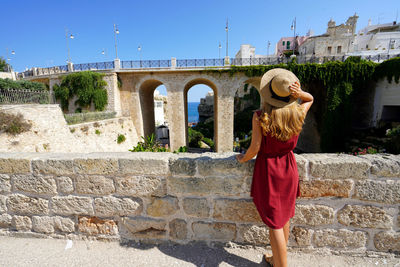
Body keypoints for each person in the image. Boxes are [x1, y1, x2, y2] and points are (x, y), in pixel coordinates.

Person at [236, 68, 313, 267]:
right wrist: (300, 94)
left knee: (275, 223)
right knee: (284, 215)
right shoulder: (297, 112)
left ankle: (281, 265)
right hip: (288, 167)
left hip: (269, 169)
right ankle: (275, 257)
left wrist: (244, 159)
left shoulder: (260, 116)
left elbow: (255, 147)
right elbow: (309, 100)